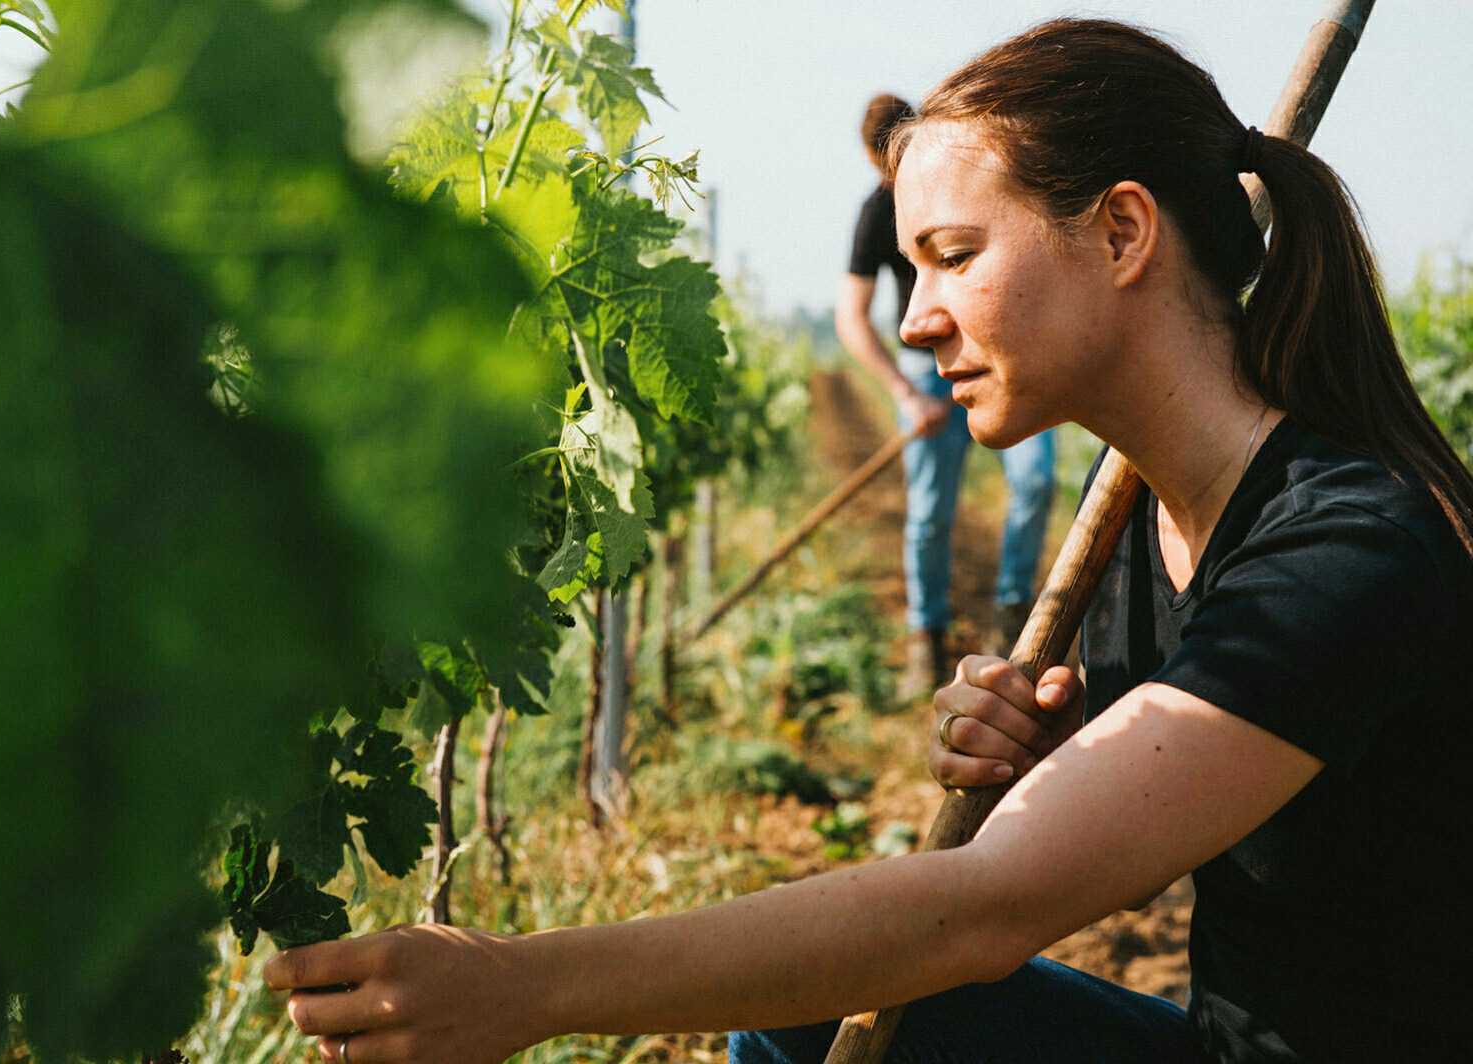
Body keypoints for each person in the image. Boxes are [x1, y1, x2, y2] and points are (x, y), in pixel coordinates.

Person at [262, 19, 1473, 1062]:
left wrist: (523, 986)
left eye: (953, 256)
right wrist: (1064, 755)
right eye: (908, 266)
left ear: (1120, 235)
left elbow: (981, 911)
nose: (916, 318)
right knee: (809, 1018)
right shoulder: (1138, 528)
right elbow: (1146, 850)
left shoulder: (1348, 546)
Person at [835, 93, 1056, 700]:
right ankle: (925, 637)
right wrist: (906, 395)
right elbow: (851, 317)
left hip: (1001, 356)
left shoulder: (966, 191)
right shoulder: (876, 212)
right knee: (930, 514)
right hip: (928, 375)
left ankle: (1014, 613)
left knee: (1036, 482)